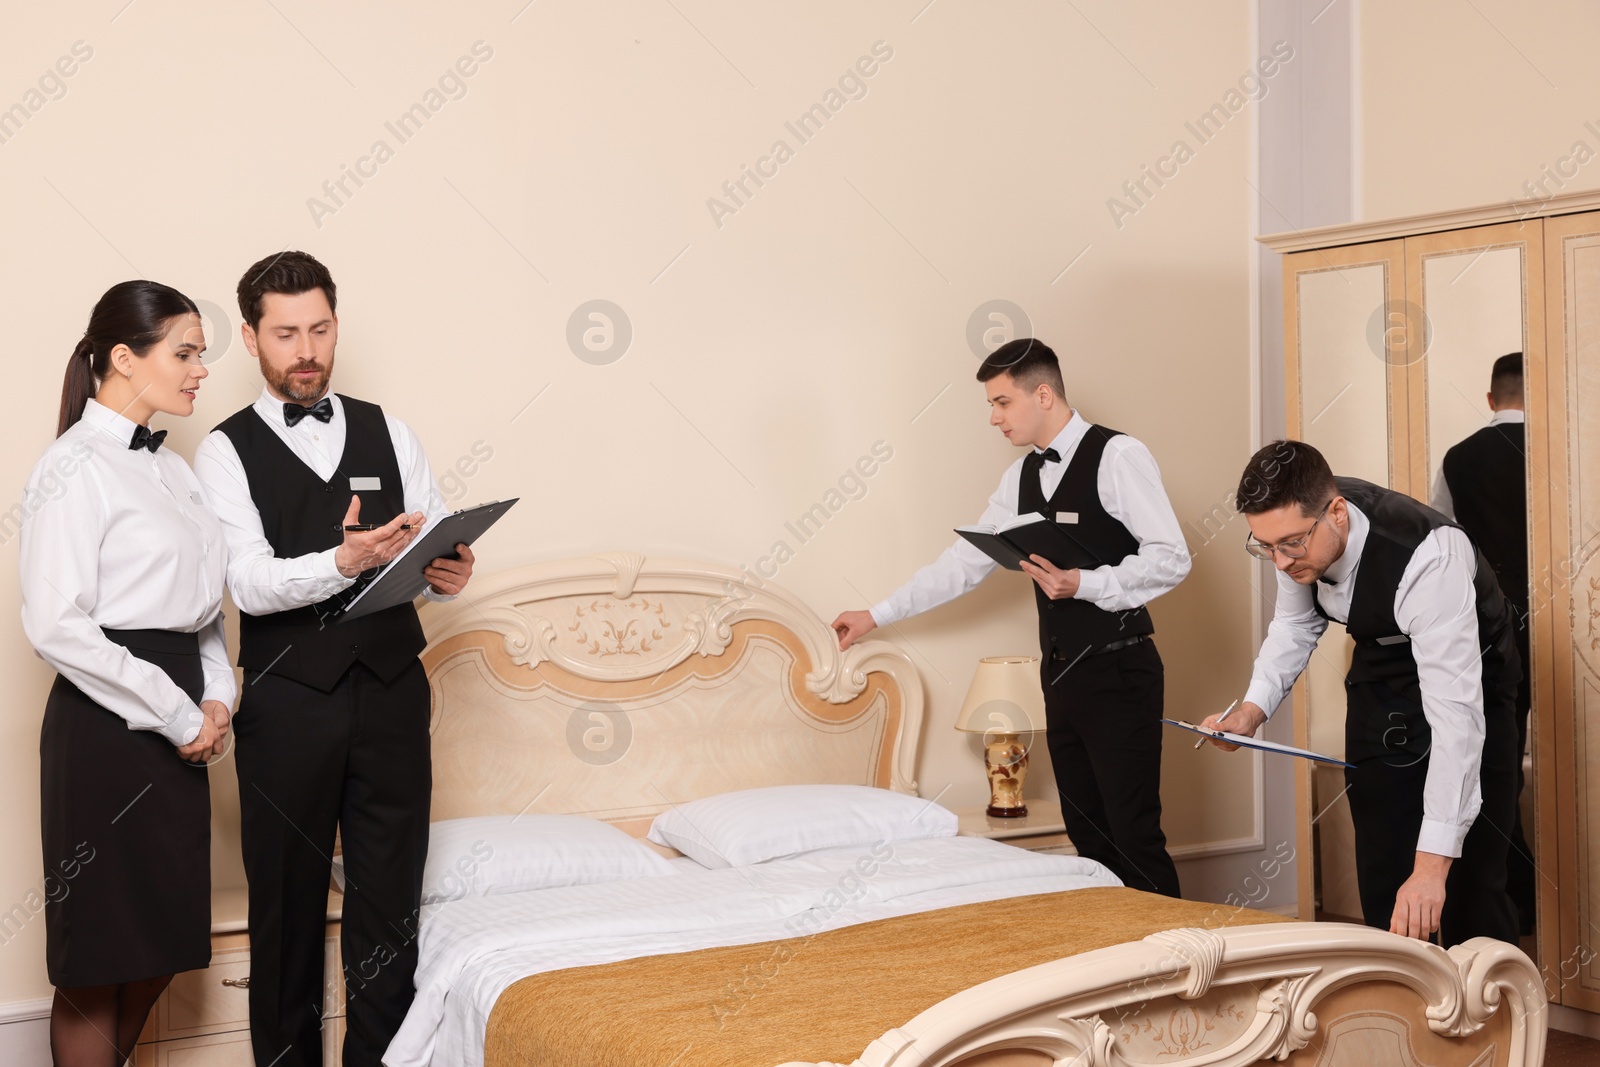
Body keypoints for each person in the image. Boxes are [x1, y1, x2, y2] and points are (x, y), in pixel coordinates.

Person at [192, 252, 474, 1067]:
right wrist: (341, 562)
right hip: (287, 704)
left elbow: (423, 546)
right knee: (286, 909)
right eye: (285, 333)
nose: (305, 349)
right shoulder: (222, 452)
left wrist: (446, 574)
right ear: (250, 338)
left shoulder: (392, 429)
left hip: (391, 694)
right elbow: (243, 580)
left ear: (336, 326)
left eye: (318, 329)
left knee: (389, 910)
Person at [832, 338, 1191, 897]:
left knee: (1134, 835)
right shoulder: (1019, 480)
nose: (994, 419)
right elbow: (961, 565)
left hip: (1121, 671)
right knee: (1088, 838)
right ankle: (1119, 967)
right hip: (1061, 674)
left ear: (1042, 394)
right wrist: (875, 614)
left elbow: (1172, 557)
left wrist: (1085, 584)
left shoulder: (1118, 456)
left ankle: (1186, 968)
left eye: (1002, 403)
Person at [20, 280, 232, 1066]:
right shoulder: (71, 465)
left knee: (162, 940)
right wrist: (179, 714)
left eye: (201, 354)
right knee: (101, 955)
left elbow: (206, 605)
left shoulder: (176, 470)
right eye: (184, 352)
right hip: (107, 727)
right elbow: (54, 622)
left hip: (182, 702)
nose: (200, 370)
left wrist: (217, 695)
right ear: (121, 357)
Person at [1202, 441, 1520, 946]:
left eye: (1289, 546)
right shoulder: (1295, 533)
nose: (1280, 563)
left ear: (1337, 514)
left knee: (1472, 877)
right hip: (1380, 666)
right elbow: (1293, 626)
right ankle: (1398, 1011)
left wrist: (1433, 868)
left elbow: (1455, 721)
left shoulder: (1428, 557)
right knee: (1385, 860)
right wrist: (1250, 710)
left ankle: (1494, 1014)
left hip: (1475, 672)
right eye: (1265, 547)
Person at [1433, 352, 1534, 934]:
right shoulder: (1570, 447)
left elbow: (1443, 546)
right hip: (1580, 625)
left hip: (1493, 629)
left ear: (1492, 398)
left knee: (1498, 763)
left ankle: (1515, 898)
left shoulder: (1459, 458)